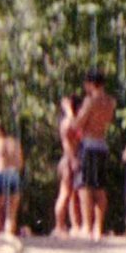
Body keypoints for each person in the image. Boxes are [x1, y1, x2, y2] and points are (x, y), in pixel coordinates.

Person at [73, 72, 117, 239]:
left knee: (85, 186)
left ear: (91, 84)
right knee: (100, 187)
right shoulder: (110, 102)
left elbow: (78, 124)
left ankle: (87, 225)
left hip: (89, 144)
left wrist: (70, 113)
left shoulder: (90, 101)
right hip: (102, 144)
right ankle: (98, 227)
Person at [53, 97, 79, 237]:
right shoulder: (67, 122)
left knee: (73, 194)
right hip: (68, 159)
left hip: (74, 159)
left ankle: (74, 225)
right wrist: (73, 159)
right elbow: (67, 144)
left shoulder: (76, 121)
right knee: (64, 193)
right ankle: (58, 225)